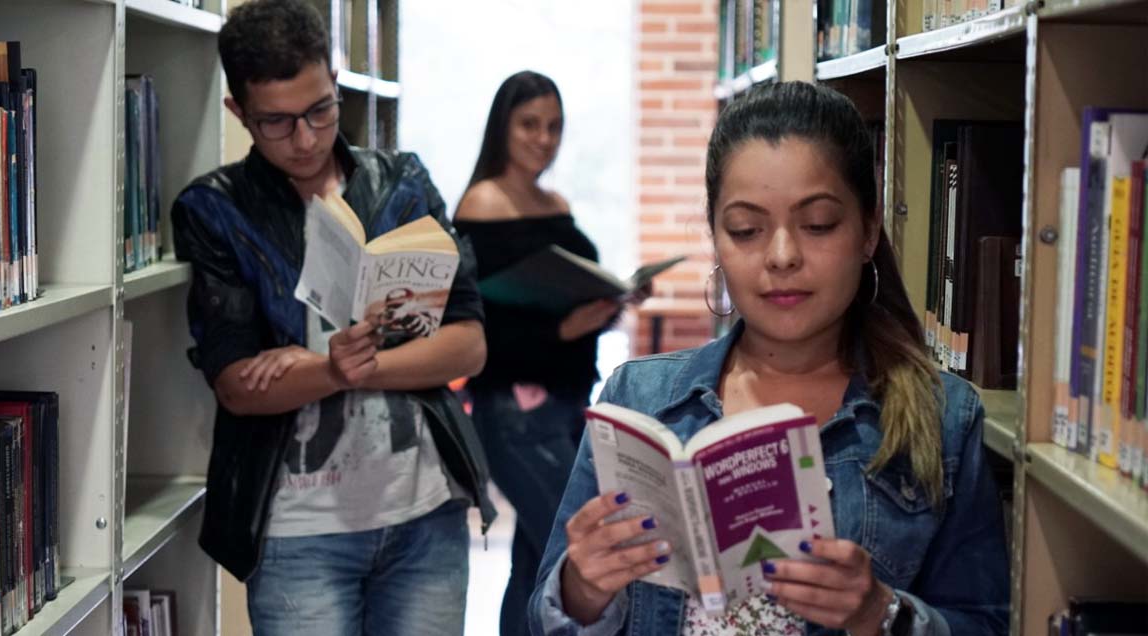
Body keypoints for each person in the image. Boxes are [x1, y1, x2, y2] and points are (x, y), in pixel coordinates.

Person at [528, 81, 1010, 635]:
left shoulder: (942, 417)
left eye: (819, 225)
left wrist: (882, 614)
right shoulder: (638, 401)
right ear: (716, 236)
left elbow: (985, 622)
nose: (782, 256)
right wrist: (582, 590)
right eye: (747, 230)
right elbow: (545, 620)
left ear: (869, 230)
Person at [170, 2, 495, 634]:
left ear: (336, 83)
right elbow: (238, 385)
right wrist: (347, 367)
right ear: (240, 112)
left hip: (424, 516)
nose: (308, 138)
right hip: (298, 534)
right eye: (278, 122)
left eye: (321, 109)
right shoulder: (216, 210)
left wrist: (329, 369)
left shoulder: (401, 184)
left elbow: (468, 346)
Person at [453, 70, 623, 636]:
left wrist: (606, 308)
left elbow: (567, 300)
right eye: (529, 124)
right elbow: (480, 333)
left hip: (571, 402)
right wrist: (565, 328)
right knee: (568, 542)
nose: (543, 139)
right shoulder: (480, 205)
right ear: (502, 127)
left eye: (554, 127)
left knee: (534, 559)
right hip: (514, 413)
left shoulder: (556, 201)